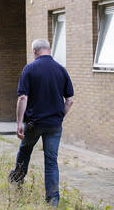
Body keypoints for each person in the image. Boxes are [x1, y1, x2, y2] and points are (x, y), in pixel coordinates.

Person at [8, 39, 74, 207]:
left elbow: (23, 97)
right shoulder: (61, 69)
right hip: (54, 125)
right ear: (49, 50)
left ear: (35, 51)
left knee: (25, 151)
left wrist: (18, 124)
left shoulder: (29, 69)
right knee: (51, 161)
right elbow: (70, 100)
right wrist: (60, 118)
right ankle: (52, 201)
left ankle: (16, 182)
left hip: (34, 123)